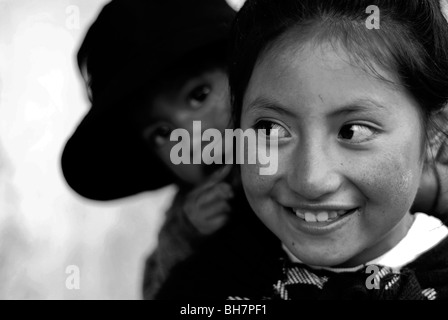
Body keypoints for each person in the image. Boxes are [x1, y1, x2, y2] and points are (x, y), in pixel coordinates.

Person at [155, 0, 448, 300]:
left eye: (352, 131)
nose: (310, 181)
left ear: (433, 136)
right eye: (271, 129)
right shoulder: (200, 290)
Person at [60, 0, 237, 299]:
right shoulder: (182, 225)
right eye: (162, 133)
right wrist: (187, 235)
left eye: (199, 95)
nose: (191, 141)